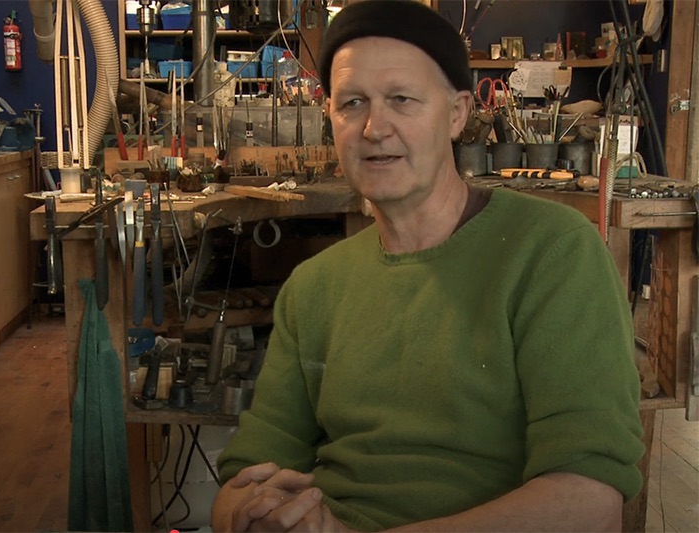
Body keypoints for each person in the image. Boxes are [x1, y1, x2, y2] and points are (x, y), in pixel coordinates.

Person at [211, 1, 645, 531]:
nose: (374, 128)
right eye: (352, 103)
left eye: (401, 99)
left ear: (458, 113)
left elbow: (589, 501)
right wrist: (251, 512)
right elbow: (248, 471)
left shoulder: (552, 253)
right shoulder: (314, 287)